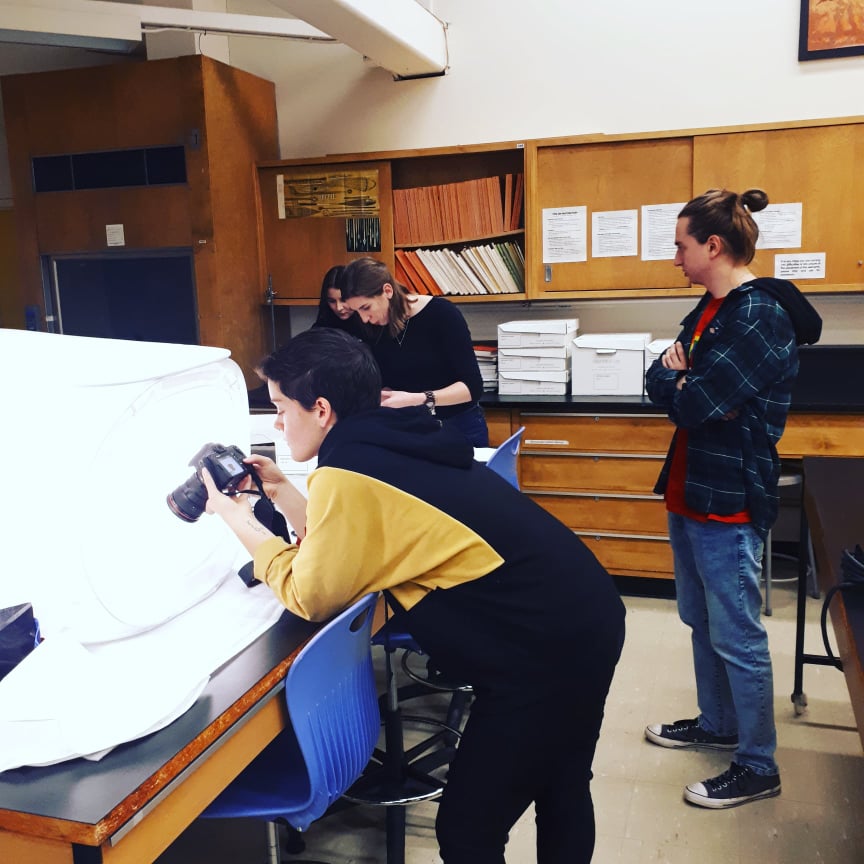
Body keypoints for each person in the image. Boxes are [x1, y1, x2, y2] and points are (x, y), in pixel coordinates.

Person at [201, 326, 626, 864]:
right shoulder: (388, 438)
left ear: (323, 410)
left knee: (469, 831)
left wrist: (241, 523)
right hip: (582, 610)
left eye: (282, 407)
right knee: (562, 780)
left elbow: (310, 594)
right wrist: (283, 493)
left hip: (543, 650)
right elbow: (358, 534)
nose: (278, 423)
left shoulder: (347, 473)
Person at [643, 187, 821, 810]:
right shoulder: (711, 308)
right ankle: (718, 724)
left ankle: (757, 763)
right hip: (690, 490)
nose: (675, 258)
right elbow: (658, 378)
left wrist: (679, 376)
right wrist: (676, 375)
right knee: (700, 621)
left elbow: (691, 399)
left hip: (729, 499)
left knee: (738, 635)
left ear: (712, 245)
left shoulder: (757, 317)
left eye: (681, 246)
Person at [337, 256, 490, 446]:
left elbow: (472, 388)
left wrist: (419, 399)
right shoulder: (372, 326)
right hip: (409, 429)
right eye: (356, 311)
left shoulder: (442, 314)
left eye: (366, 308)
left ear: (387, 290)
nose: (364, 318)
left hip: (458, 427)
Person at [312, 264, 366, 337]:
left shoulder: (375, 323)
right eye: (332, 301)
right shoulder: (321, 328)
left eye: (344, 300)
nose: (338, 308)